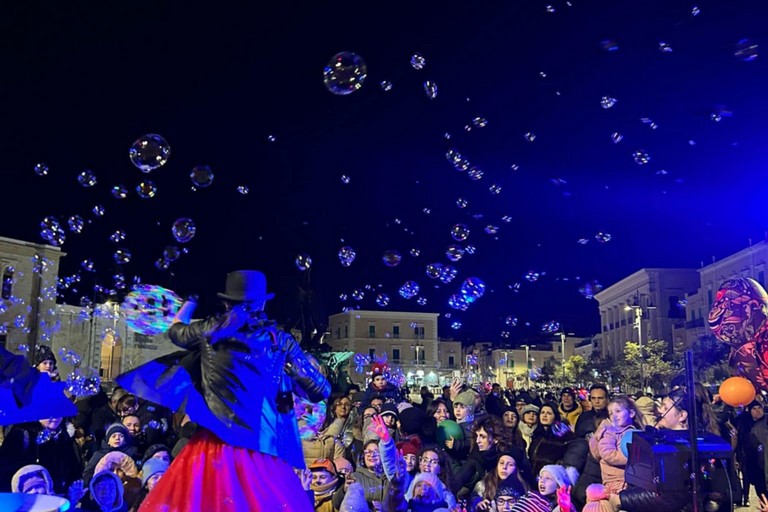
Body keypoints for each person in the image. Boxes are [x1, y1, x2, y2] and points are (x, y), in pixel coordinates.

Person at [115, 270, 330, 511]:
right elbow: (319, 390)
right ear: (261, 302)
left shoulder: (210, 330)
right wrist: (287, 368)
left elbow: (176, 332)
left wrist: (190, 301)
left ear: (226, 302)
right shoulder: (279, 340)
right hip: (261, 449)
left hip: (212, 448)